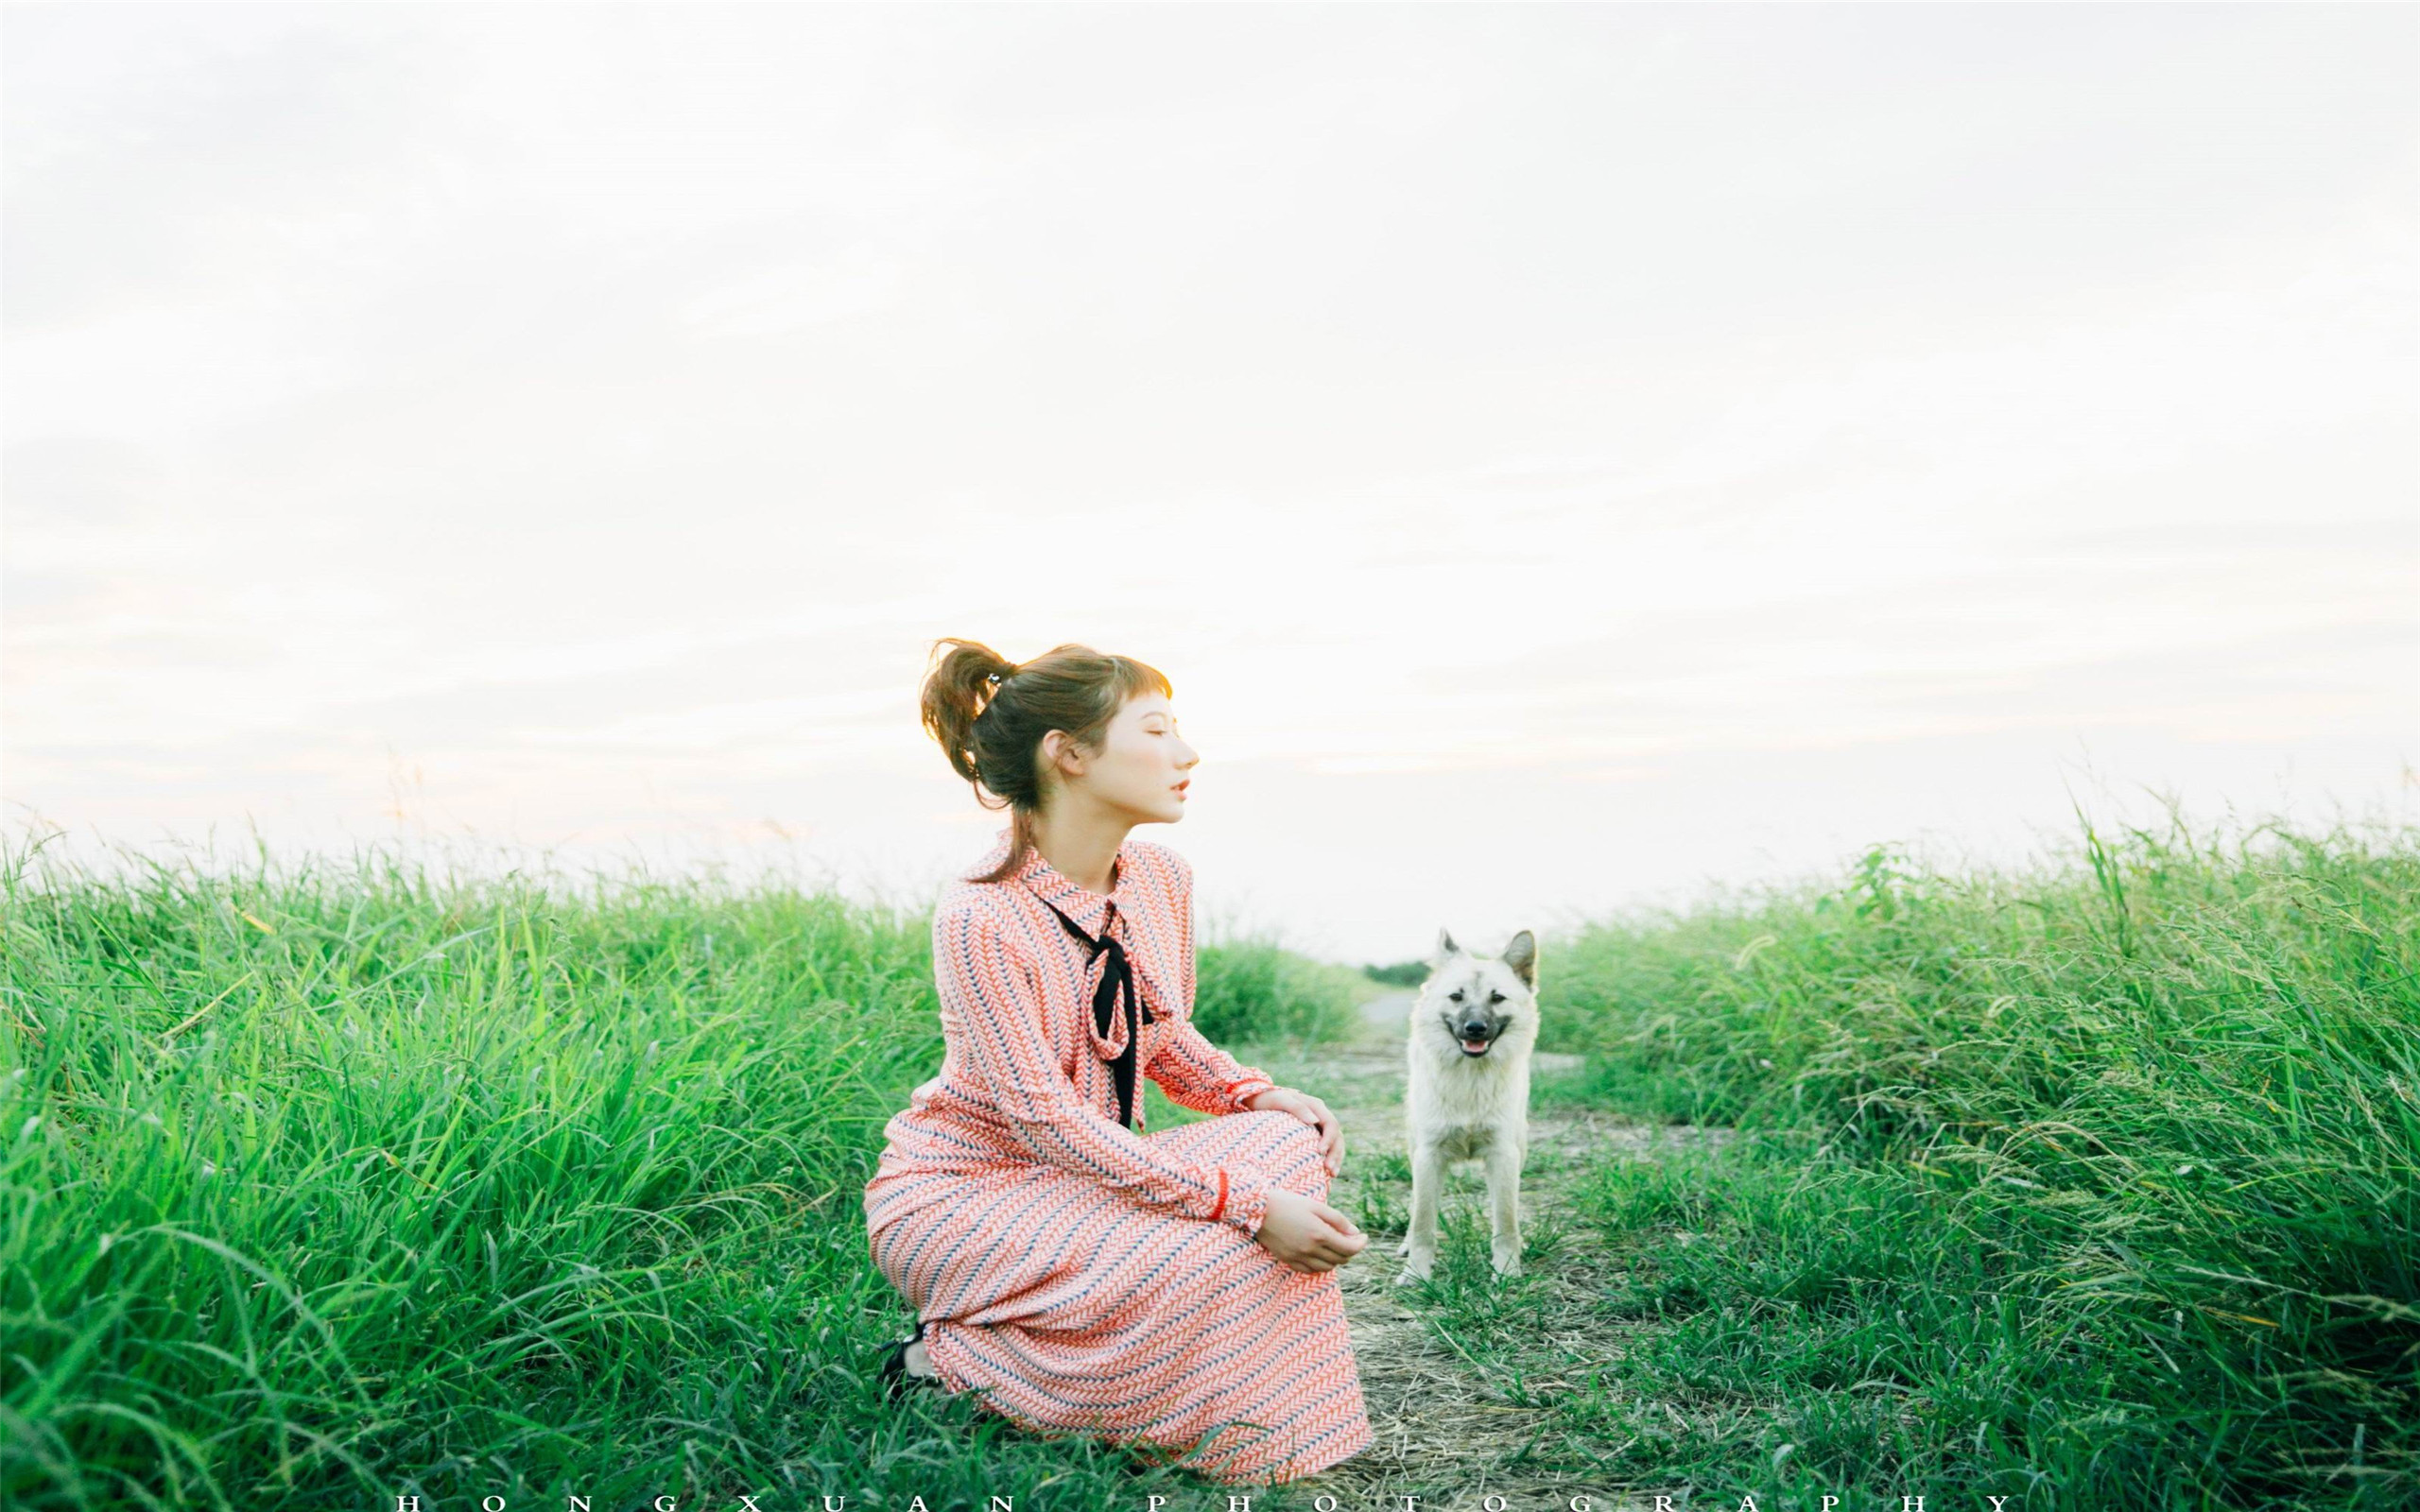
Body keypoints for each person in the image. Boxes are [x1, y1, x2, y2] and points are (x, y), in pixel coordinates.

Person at [861, 639, 1376, 1486]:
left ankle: (1138, 1364)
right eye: (1158, 730)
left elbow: (1164, 1035)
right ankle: (946, 1366)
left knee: (1287, 1146)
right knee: (1232, 1241)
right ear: (1068, 754)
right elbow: (1045, 1120)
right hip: (966, 1198)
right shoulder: (981, 914)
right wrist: (1241, 1204)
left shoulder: (1160, 879)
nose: (1188, 754)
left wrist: (1258, 1093)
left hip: (1081, 1184)